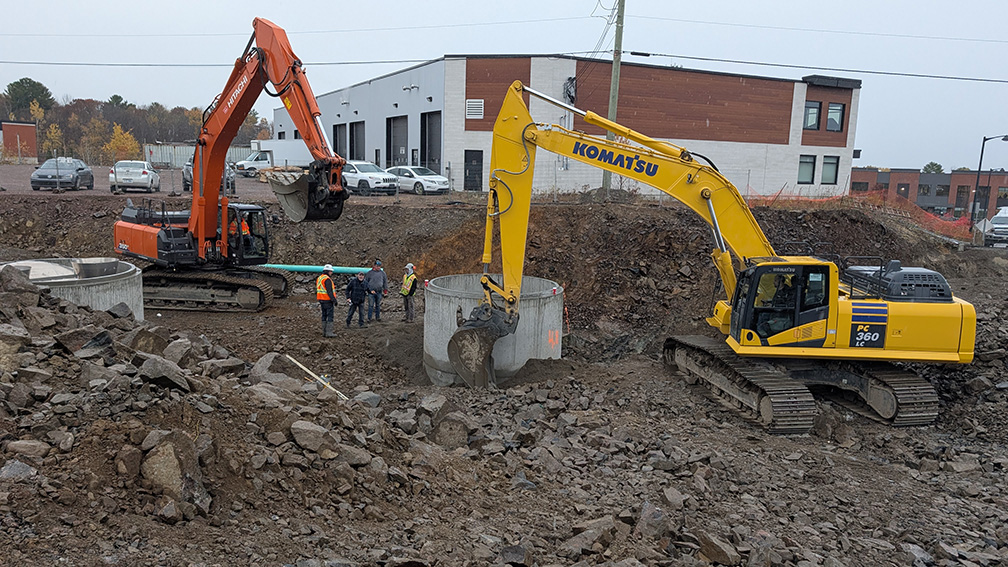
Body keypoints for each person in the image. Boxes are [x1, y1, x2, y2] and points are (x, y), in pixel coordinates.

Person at [315, 264, 337, 337]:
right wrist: (334, 300)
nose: (332, 273)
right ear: (328, 271)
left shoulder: (320, 278)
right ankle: (329, 332)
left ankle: (324, 332)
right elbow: (329, 291)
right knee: (330, 316)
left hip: (321, 299)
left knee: (324, 315)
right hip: (327, 300)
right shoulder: (327, 279)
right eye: (331, 271)